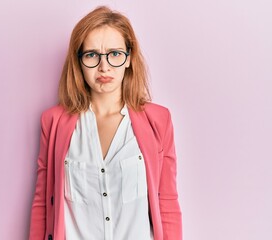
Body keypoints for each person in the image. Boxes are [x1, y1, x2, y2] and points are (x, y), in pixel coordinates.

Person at [29, 6, 182, 240]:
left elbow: (167, 203)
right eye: (91, 55)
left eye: (115, 53)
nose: (104, 66)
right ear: (78, 61)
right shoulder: (53, 122)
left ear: (129, 58)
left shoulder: (159, 121)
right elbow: (42, 204)